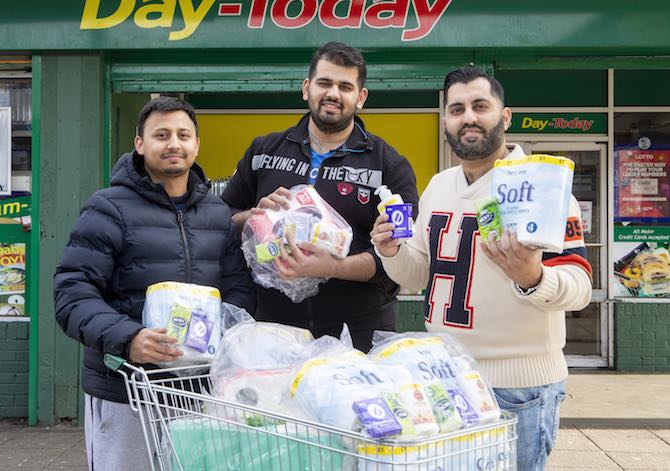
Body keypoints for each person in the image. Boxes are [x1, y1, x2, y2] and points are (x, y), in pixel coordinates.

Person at [370, 67, 592, 471]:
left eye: (480, 106)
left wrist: (532, 277)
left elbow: (579, 287)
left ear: (505, 116)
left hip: (518, 387)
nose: (468, 117)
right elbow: (418, 275)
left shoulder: (543, 185)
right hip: (445, 377)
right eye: (457, 109)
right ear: (445, 120)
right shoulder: (439, 185)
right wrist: (390, 251)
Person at [53, 97, 255, 471]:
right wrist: (129, 338)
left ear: (196, 144)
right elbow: (72, 293)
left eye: (183, 135)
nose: (174, 143)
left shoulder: (217, 214)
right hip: (127, 391)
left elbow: (239, 290)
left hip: (199, 394)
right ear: (140, 144)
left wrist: (225, 337)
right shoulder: (108, 207)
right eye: (161, 135)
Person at [222, 42, 418, 352]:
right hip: (273, 332)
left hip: (358, 338)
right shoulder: (263, 152)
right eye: (324, 83)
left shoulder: (389, 165)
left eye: (345, 87)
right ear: (307, 88)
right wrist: (251, 217)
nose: (333, 94)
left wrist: (332, 267)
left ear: (361, 97)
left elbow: (400, 258)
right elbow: (219, 220)